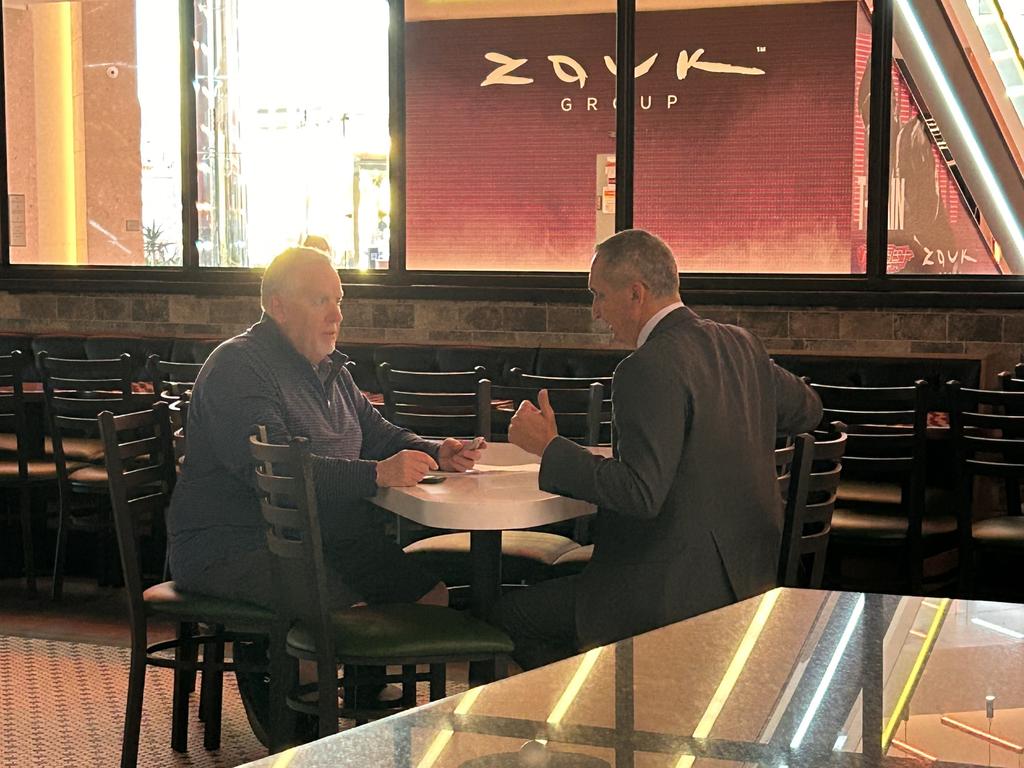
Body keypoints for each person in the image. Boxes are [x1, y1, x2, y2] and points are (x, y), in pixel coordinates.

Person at [167, 246, 482, 737]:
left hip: (321, 539)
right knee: (338, 618)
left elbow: (377, 434)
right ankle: (302, 737)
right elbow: (277, 472)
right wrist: (376, 475)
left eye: (339, 300)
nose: (337, 315)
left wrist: (437, 450)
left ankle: (363, 714)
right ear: (277, 304)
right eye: (320, 301)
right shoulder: (238, 367)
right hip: (231, 545)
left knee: (429, 596)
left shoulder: (328, 368)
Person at [494, 229, 822, 670]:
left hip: (668, 595)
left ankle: (598, 715)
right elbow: (809, 410)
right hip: (750, 581)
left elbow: (640, 494)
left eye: (598, 295)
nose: (595, 312)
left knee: (506, 618)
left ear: (636, 293)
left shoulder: (645, 367)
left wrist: (550, 448)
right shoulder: (741, 344)